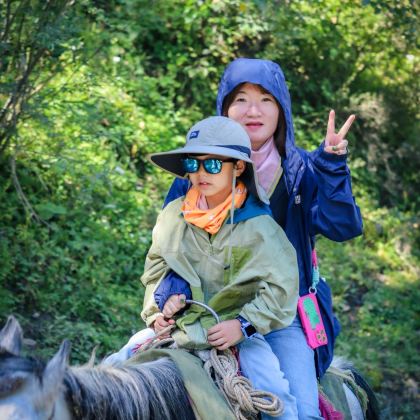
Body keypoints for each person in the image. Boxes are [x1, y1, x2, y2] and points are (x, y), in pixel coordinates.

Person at [163, 58, 363, 419]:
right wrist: (171, 293)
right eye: (240, 99)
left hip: (282, 315)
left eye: (266, 99)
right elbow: (172, 248)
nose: (253, 110)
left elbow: (342, 226)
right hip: (206, 310)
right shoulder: (196, 171)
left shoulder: (302, 170)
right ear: (224, 108)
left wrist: (332, 166)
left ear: (282, 109)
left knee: (300, 411)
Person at [140, 116, 300, 418]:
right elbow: (155, 269)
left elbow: (282, 288)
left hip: (234, 333)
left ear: (238, 168)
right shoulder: (173, 216)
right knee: (116, 368)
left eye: (213, 164)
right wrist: (156, 313)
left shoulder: (259, 228)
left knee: (277, 397)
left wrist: (242, 326)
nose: (202, 173)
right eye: (193, 164)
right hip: (180, 328)